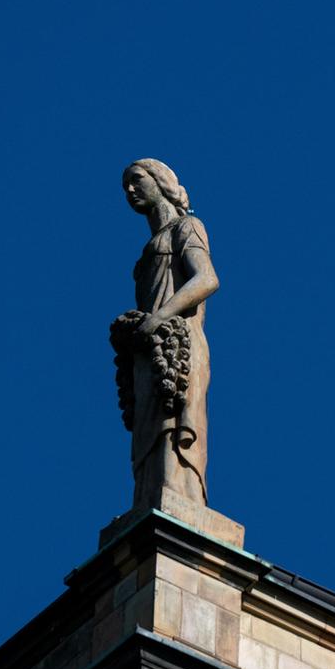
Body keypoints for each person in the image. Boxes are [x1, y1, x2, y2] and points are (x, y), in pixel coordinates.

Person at [116, 157, 219, 514]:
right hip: (152, 347)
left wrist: (159, 316)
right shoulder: (150, 247)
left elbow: (206, 279)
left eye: (136, 179)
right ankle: (147, 505)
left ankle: (182, 506)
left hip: (178, 343)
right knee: (147, 436)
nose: (130, 190)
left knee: (174, 429)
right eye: (125, 186)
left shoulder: (187, 227)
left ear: (160, 181)